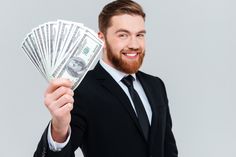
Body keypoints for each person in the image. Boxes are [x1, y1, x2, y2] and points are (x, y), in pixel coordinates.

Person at [34, 0, 178, 157]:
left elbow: (168, 148)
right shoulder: (80, 88)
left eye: (139, 35)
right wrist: (59, 128)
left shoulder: (155, 85)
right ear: (101, 39)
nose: (134, 44)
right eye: (123, 35)